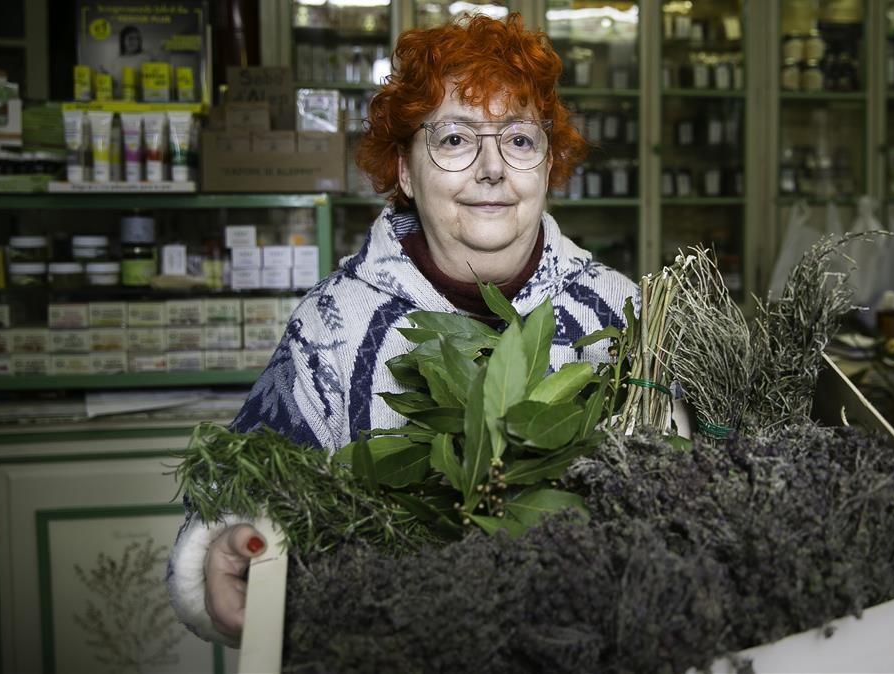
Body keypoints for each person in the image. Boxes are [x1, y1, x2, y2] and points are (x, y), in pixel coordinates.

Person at [166, 13, 639, 646]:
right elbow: (241, 494)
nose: (493, 168)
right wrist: (228, 549)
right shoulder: (336, 325)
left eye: (520, 139)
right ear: (406, 172)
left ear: (548, 163)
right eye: (453, 139)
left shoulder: (621, 314)